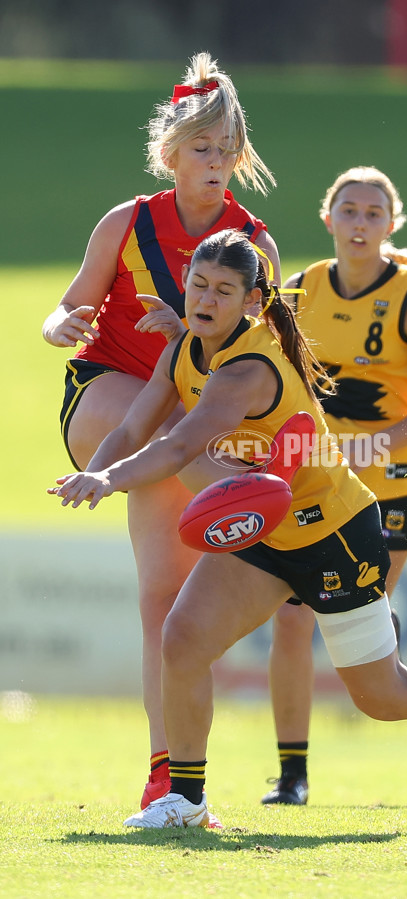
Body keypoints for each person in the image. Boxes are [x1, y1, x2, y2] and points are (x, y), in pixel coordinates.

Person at [50, 229, 407, 831]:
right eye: (198, 284)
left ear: (252, 301)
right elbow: (132, 427)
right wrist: (94, 473)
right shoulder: (182, 351)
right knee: (183, 640)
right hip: (266, 528)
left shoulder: (245, 370)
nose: (206, 298)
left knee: (385, 696)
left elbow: (177, 446)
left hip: (334, 531)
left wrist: (111, 479)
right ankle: (187, 800)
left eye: (224, 290)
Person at [41, 52, 280, 811]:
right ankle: (249, 503)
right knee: (167, 422)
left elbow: (268, 359)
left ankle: (169, 774)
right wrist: (60, 324)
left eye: (225, 150)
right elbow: (64, 308)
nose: (214, 162)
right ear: (169, 153)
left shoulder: (255, 246)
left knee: (164, 604)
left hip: (185, 426)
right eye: (200, 148)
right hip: (111, 401)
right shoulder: (129, 221)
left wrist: (192, 330)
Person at [261, 166, 407, 805]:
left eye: (374, 213)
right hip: (315, 486)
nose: (360, 223)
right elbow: (270, 381)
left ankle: (389, 632)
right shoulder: (298, 291)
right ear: (329, 219)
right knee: (293, 624)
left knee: (357, 650)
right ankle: (292, 776)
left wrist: (368, 444)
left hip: (390, 489)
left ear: (391, 226)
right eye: (349, 210)